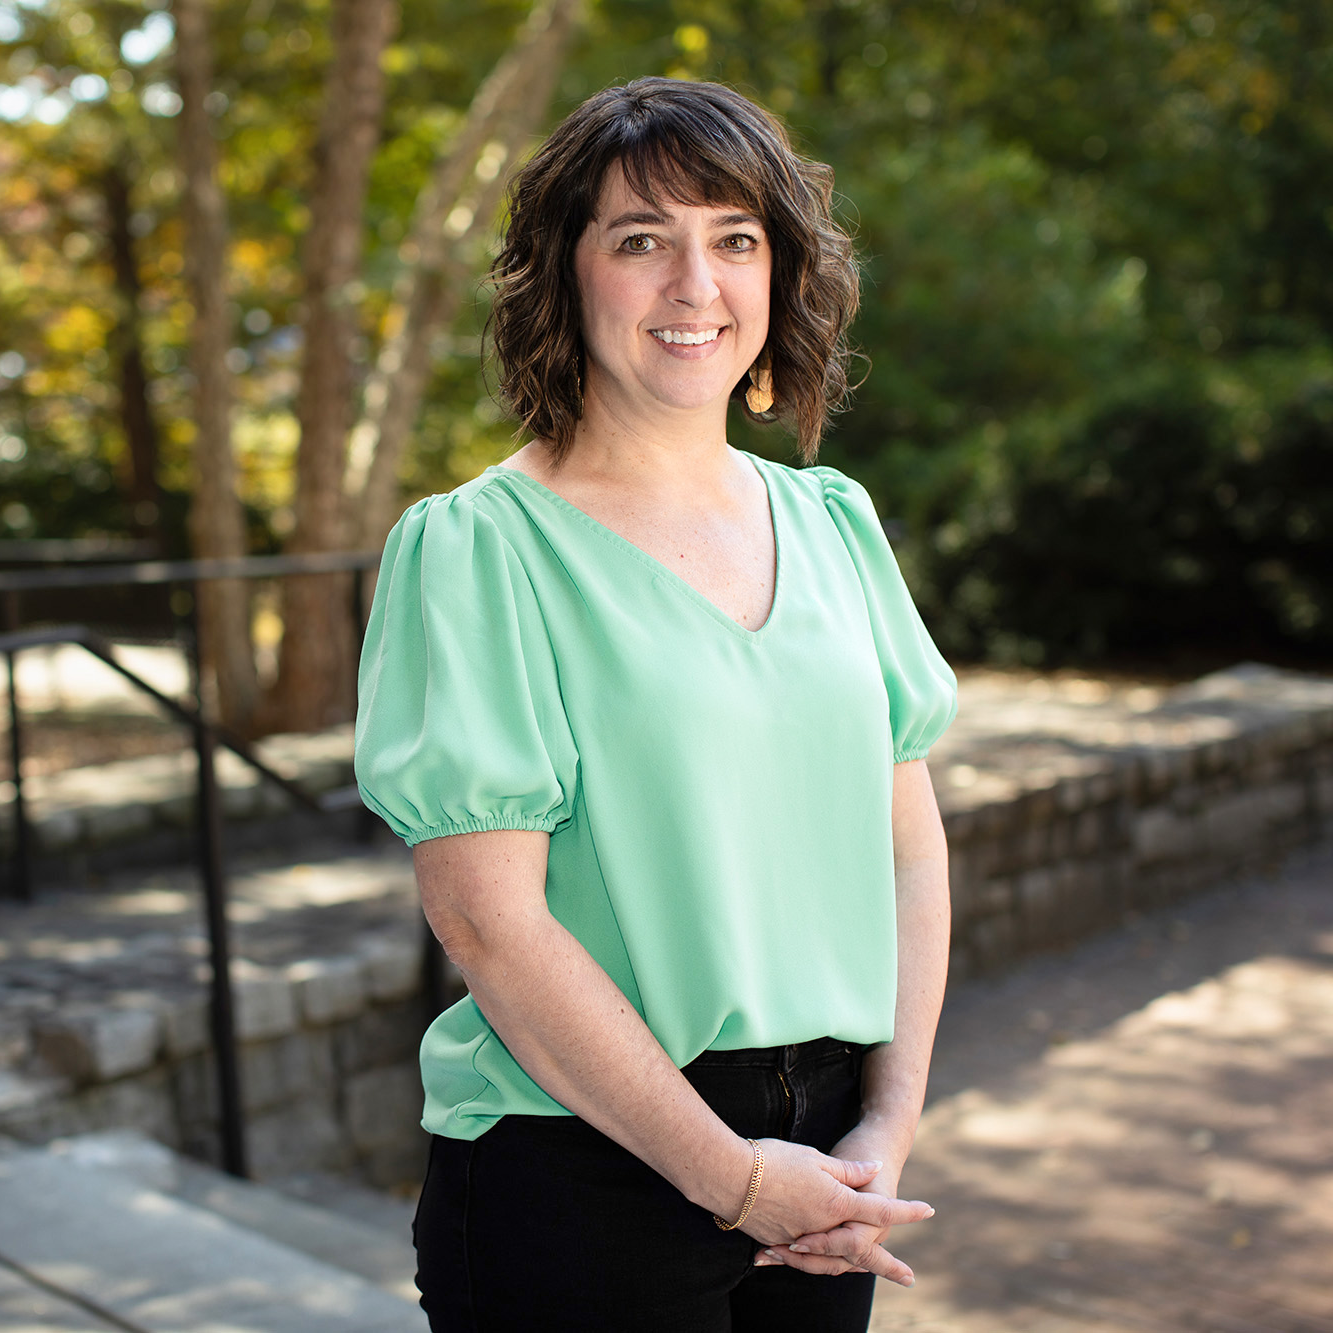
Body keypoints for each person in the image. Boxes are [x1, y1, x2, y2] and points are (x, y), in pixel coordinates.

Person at [352, 78, 959, 1332]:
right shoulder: (477, 549)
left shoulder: (832, 522)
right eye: (642, 241)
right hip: (580, 1165)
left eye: (734, 239)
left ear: (778, 274)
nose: (696, 285)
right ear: (562, 279)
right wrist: (731, 1178)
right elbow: (482, 919)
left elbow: (906, 852)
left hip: (826, 1160)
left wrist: (884, 1127)